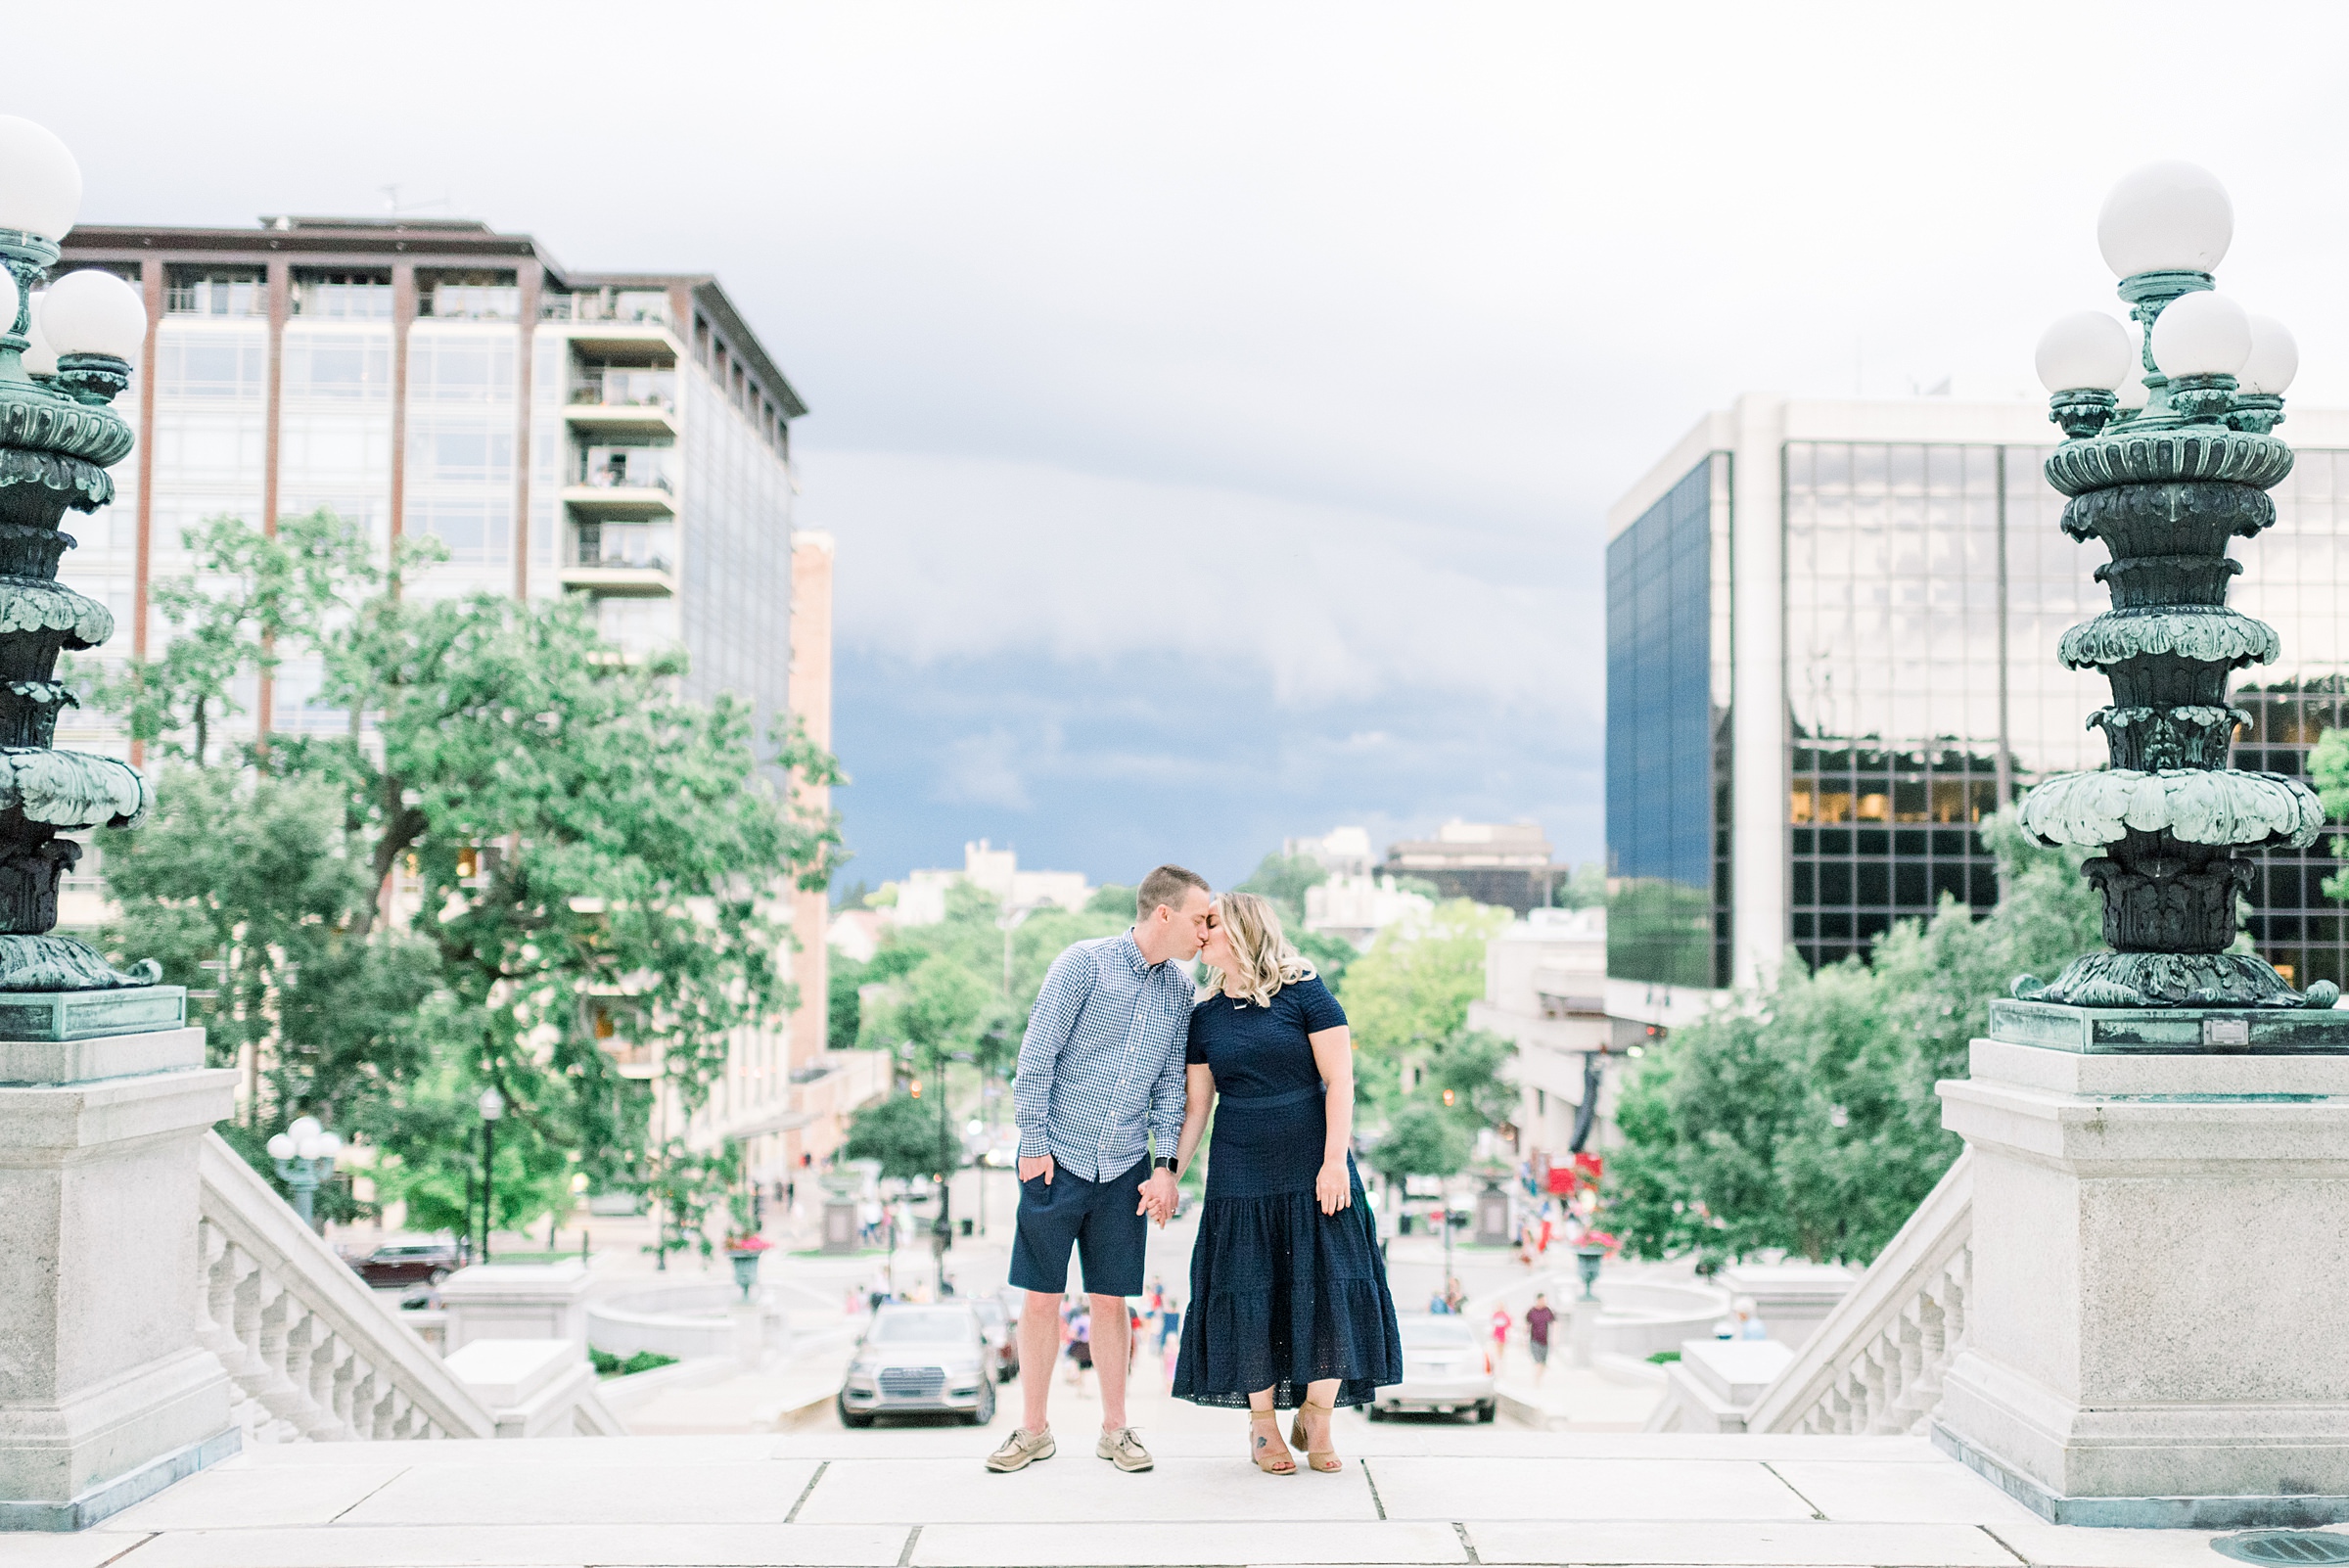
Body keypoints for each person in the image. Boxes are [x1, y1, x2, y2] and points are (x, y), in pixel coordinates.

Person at [985, 865, 1212, 1476]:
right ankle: (1033, 1429)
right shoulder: (1082, 963)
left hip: (1124, 1172)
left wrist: (1164, 1167)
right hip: (1054, 1160)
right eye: (1199, 918)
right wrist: (1034, 1145)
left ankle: (1116, 1429)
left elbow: (1170, 1089)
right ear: (1163, 914)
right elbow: (1036, 1058)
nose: (1205, 930)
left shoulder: (1181, 993)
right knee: (1041, 1300)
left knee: (1113, 1301)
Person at [1171, 892, 1402, 1476]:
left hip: (1314, 1165)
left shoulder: (1305, 992)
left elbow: (1341, 1080)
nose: (1202, 935)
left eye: (1212, 924)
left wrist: (1332, 1162)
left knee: (1328, 1288)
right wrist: (1169, 1171)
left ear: (1244, 930)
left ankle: (1318, 1417)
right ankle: (1263, 1427)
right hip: (1240, 1171)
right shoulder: (1205, 1015)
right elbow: (1198, 1107)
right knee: (1250, 1292)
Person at [1526, 1294, 1556, 1384]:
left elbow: (1554, 1323)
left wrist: (1555, 1336)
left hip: (1544, 1340)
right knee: (1538, 1361)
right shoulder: (1532, 1311)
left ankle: (1539, 1377)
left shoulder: (1547, 1311)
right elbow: (1527, 1324)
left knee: (1543, 1362)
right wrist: (1523, 1338)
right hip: (1534, 1339)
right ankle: (1537, 1380)